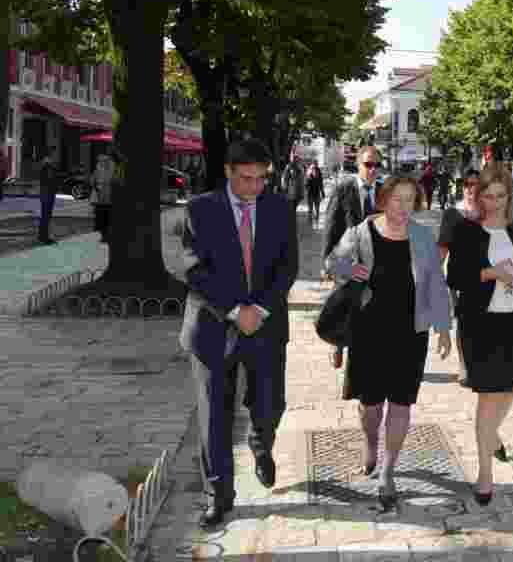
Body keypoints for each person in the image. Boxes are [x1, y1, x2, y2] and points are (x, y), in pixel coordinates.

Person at [178, 138, 298, 529]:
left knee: (270, 402)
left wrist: (258, 309)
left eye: (262, 179)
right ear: (228, 172)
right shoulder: (200, 210)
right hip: (212, 325)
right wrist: (235, 310)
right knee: (214, 415)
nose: (254, 187)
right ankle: (219, 494)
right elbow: (195, 270)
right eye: (246, 179)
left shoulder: (280, 208)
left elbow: (287, 267)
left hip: (265, 324)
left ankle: (262, 442)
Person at [326, 176, 451, 510]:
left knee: (401, 403)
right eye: (397, 199)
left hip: (410, 333)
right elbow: (330, 264)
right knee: (370, 406)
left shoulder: (423, 236)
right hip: (368, 331)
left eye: (410, 200)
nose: (403, 206)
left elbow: (436, 282)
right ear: (383, 200)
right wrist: (350, 269)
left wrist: (443, 327)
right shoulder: (360, 233)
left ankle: (388, 469)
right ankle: (370, 444)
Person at [447, 164, 513, 505]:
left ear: (511, 195)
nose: (494, 203)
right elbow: (457, 277)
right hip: (480, 323)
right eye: (487, 197)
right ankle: (485, 473)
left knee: (507, 391)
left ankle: (490, 436)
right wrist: (491, 273)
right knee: (489, 395)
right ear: (478, 196)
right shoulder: (466, 229)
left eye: (501, 196)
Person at [321, 145, 383, 369]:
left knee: (369, 306)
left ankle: (365, 350)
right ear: (358, 165)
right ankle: (337, 343)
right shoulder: (344, 188)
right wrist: (327, 262)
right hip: (347, 257)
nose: (373, 170)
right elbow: (331, 225)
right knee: (343, 303)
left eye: (377, 165)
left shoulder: (385, 190)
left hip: (375, 260)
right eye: (368, 165)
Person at [436, 167, 481, 387]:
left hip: (488, 278)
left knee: (483, 322)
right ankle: (465, 366)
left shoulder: (490, 214)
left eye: (476, 184)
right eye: (467, 184)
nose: (471, 189)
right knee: (464, 321)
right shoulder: (453, 214)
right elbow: (442, 249)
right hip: (460, 279)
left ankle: (480, 362)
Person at [90, 154, 116, 243]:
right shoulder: (101, 167)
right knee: (104, 217)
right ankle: (106, 236)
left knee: (103, 218)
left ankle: (105, 236)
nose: (101, 162)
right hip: (104, 198)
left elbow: (93, 181)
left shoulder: (107, 167)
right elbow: (93, 180)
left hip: (105, 197)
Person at [37, 151, 61, 245]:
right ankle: (44, 237)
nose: (54, 158)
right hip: (48, 194)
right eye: (53, 156)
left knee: (45, 216)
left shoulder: (46, 167)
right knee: (46, 216)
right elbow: (50, 181)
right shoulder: (48, 168)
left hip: (46, 193)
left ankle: (43, 236)